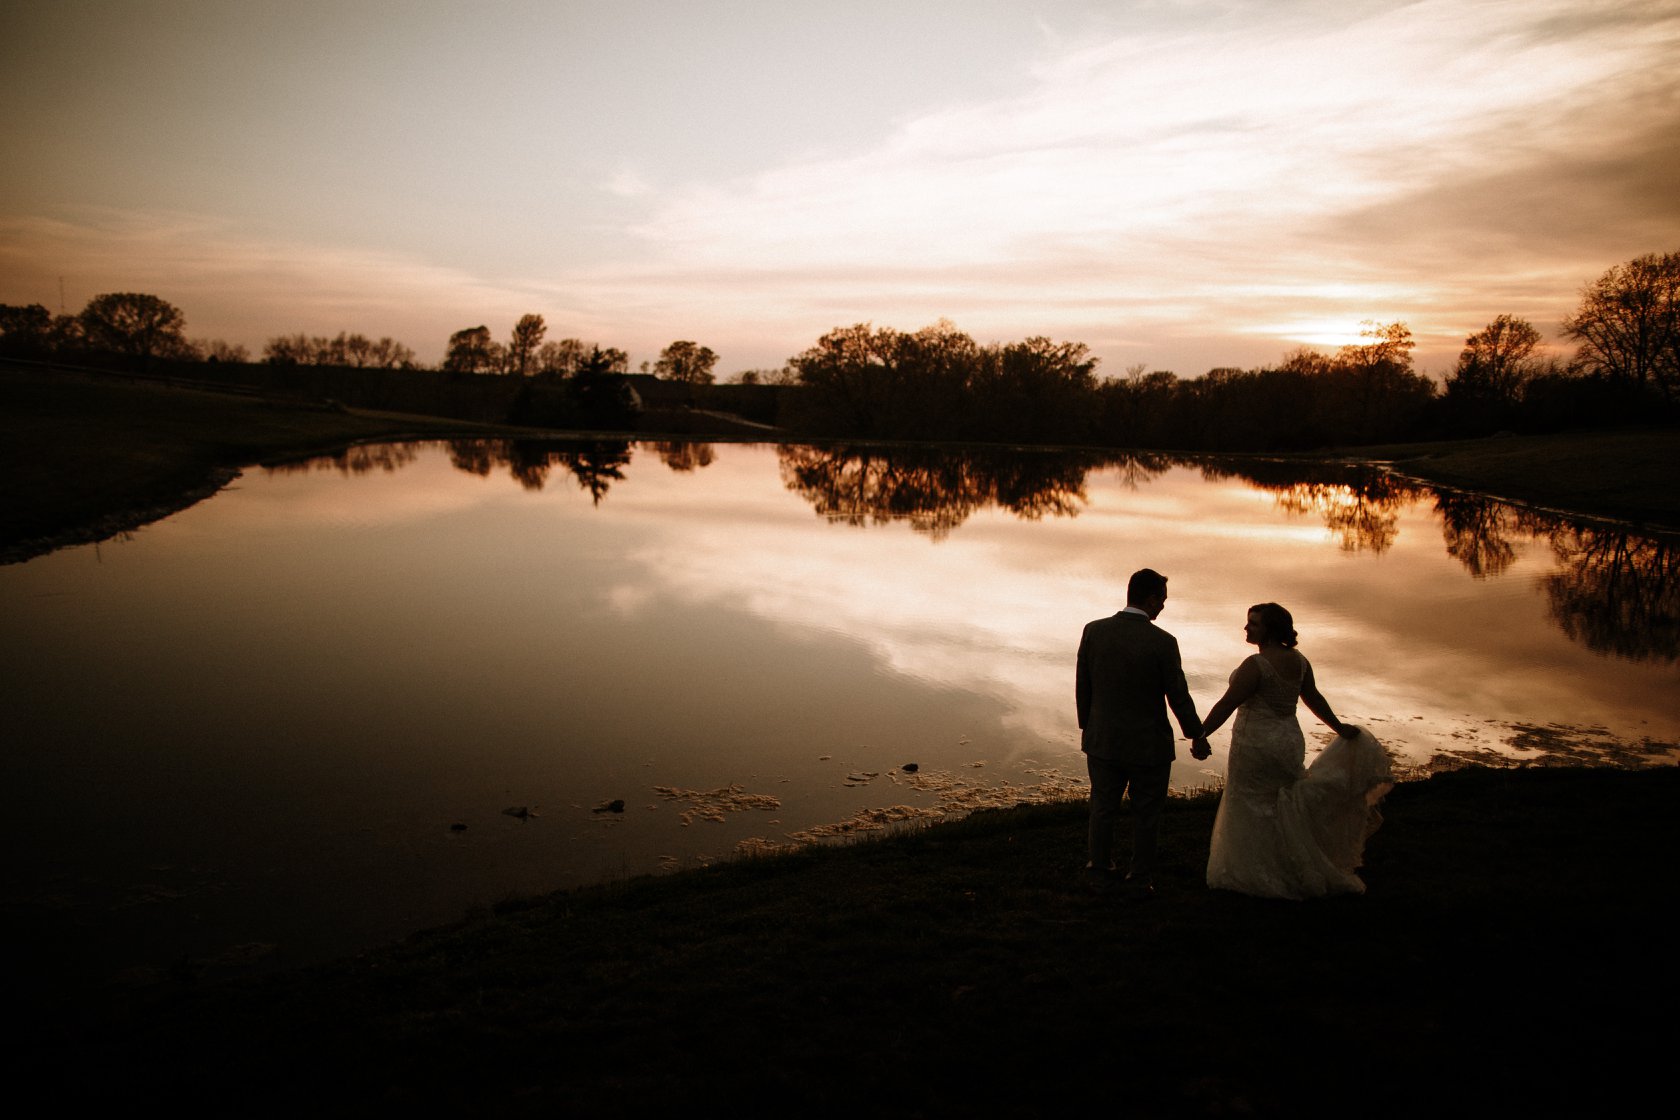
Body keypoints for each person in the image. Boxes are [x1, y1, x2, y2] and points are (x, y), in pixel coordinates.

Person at [1201, 602, 1393, 899]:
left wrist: (1200, 734)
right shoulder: (1300, 661)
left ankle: (1253, 871)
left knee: (1250, 803)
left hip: (1256, 744)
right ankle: (1289, 865)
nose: (1246, 628)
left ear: (1270, 629)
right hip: (1288, 742)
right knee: (1281, 804)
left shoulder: (1256, 664)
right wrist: (1338, 727)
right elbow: (1313, 698)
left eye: (1253, 623)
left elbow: (1227, 704)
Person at [1076, 568, 1210, 892]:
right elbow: (1177, 694)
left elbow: (1084, 685)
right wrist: (1196, 733)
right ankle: (1139, 876)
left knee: (1103, 807)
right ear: (1151, 600)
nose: (1163, 607)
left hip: (1103, 740)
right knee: (1147, 812)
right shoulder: (1163, 642)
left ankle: (1098, 867)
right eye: (1162, 600)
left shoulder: (1094, 631)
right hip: (1149, 745)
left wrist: (1088, 725)